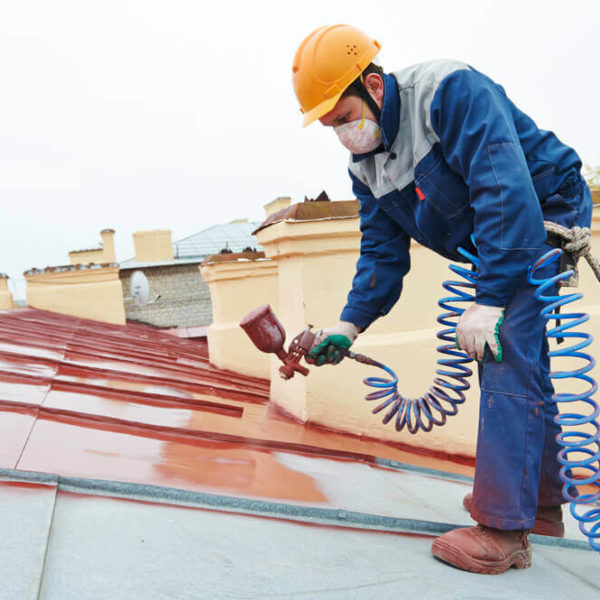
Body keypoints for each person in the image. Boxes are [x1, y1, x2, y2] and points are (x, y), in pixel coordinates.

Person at [292, 24, 593, 574]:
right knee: (520, 350)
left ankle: (504, 531)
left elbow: (505, 190)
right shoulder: (367, 167)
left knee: (501, 346)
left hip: (542, 207)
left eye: (343, 118)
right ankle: (542, 506)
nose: (342, 134)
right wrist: (349, 326)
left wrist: (491, 299)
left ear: (376, 88)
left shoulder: (449, 93)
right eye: (331, 127)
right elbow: (382, 256)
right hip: (497, 228)